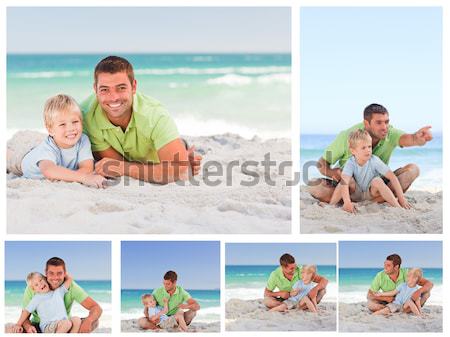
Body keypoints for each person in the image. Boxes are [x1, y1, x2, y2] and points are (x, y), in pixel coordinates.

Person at [80, 56, 202, 184]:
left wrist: (123, 167)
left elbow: (180, 171)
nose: (113, 97)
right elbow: (114, 163)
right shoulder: (86, 116)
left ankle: (180, 146)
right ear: (95, 89)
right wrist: (122, 167)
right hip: (139, 158)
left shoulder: (154, 115)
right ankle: (180, 150)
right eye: (104, 89)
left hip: (154, 155)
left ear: (134, 86)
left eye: (121, 88)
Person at [308, 103, 433, 203]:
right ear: (366, 123)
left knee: (413, 170)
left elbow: (409, 139)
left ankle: (376, 199)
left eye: (386, 121)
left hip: (376, 186)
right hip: (350, 187)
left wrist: (418, 138)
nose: (384, 127)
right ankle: (370, 200)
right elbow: (321, 163)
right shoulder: (348, 136)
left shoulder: (390, 133)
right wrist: (333, 172)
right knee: (314, 186)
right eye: (379, 122)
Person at [7, 94, 106, 188]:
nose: (71, 128)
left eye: (75, 122)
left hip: (44, 146)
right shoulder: (47, 150)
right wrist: (83, 178)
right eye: (63, 124)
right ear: (50, 130)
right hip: (25, 160)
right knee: (9, 159)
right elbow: (49, 171)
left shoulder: (83, 140)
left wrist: (77, 176)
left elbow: (87, 168)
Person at [7, 257, 103, 333]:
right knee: (11, 330)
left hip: (64, 324)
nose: (55, 278)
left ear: (64, 274)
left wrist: (89, 320)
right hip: (43, 326)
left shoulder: (60, 291)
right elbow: (25, 313)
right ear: (46, 273)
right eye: (51, 273)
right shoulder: (34, 290)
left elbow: (96, 307)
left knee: (80, 320)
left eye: (59, 273)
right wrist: (23, 326)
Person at [329, 129, 411, 213]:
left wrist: (401, 198)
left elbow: (392, 177)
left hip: (371, 193)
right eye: (363, 148)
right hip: (355, 194)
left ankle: (397, 207)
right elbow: (344, 182)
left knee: (377, 181)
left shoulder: (374, 160)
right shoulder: (350, 162)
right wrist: (347, 202)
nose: (368, 150)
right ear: (353, 150)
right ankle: (331, 205)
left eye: (369, 146)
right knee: (345, 181)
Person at [12, 272, 81, 333]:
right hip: (48, 326)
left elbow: (69, 279)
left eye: (40, 280)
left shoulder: (59, 291)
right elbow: (26, 311)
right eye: (36, 285)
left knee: (77, 320)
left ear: (45, 279)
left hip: (62, 324)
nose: (40, 284)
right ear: (34, 290)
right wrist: (18, 324)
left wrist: (60, 272)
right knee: (67, 323)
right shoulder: (37, 298)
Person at [367, 254, 433, 313]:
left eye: (388, 265)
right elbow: (369, 295)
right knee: (371, 305)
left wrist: (419, 291)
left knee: (427, 293)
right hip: (391, 302)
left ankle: (399, 310)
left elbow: (429, 283)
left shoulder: (408, 274)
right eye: (384, 264)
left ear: (396, 267)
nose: (385, 267)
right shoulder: (380, 276)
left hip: (406, 302)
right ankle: (394, 310)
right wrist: (386, 298)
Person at [263, 254, 328, 309]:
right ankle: (297, 307)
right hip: (286, 300)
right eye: (291, 269)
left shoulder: (301, 270)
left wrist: (315, 289)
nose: (294, 270)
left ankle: (296, 307)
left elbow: (324, 280)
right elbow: (266, 293)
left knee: (322, 290)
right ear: (283, 267)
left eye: (294, 266)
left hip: (302, 299)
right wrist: (280, 293)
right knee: (267, 301)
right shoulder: (275, 275)